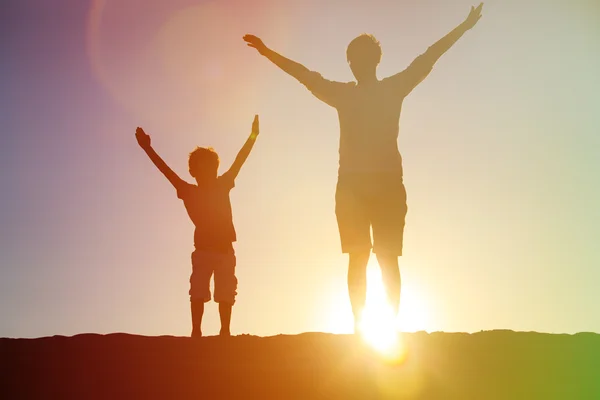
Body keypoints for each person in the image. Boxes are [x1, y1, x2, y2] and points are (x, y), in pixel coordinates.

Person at [244, 4, 483, 332]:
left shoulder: (392, 88)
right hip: (352, 186)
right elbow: (303, 74)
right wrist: (267, 52)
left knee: (387, 258)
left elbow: (429, 57)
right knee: (358, 257)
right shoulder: (343, 94)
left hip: (386, 184)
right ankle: (360, 327)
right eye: (353, 59)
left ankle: (389, 327)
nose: (357, 64)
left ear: (375, 60)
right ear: (351, 63)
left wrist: (464, 27)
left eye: (363, 57)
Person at [135, 115, 260, 337]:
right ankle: (196, 332)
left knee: (226, 292)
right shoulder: (189, 191)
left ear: (215, 168)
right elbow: (165, 171)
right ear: (193, 172)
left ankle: (225, 332)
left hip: (225, 250)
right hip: (203, 251)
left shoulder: (222, 184)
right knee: (199, 291)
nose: (207, 172)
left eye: (211, 167)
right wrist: (147, 148)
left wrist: (253, 136)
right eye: (202, 168)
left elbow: (240, 160)